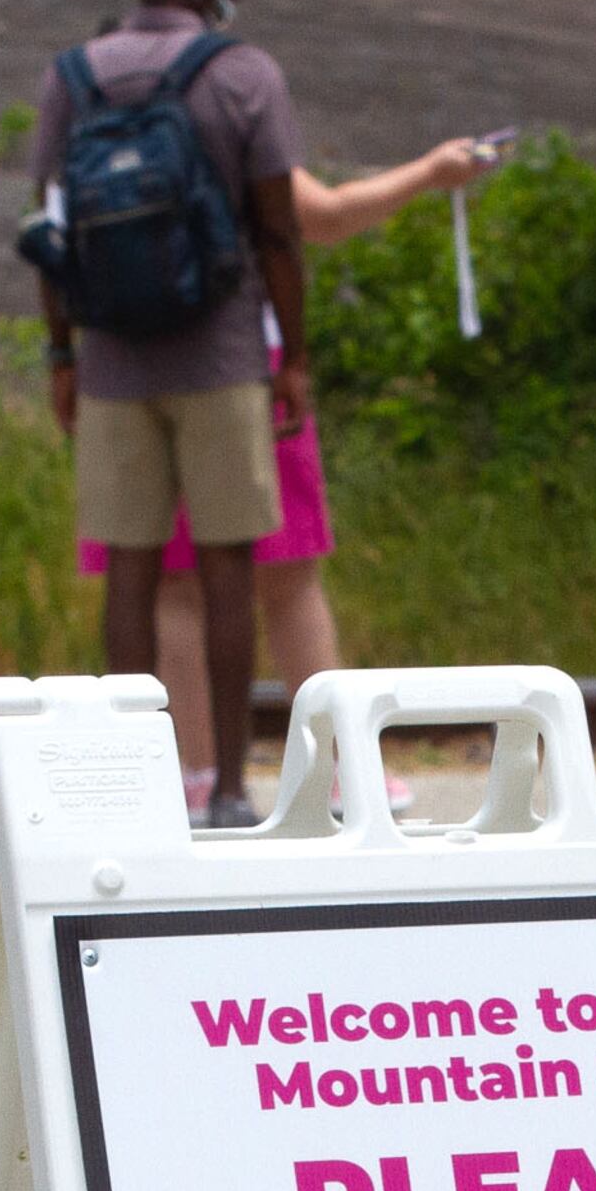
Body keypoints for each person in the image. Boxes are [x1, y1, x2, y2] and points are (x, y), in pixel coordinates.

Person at [139, 134, 500, 816]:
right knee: (288, 576)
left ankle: (194, 777)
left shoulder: (98, 98)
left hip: (138, 369)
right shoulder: (231, 100)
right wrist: (432, 170)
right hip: (244, 365)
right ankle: (343, 772)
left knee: (174, 584)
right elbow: (325, 216)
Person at [38, 0, 308, 829]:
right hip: (223, 353)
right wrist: (293, 357)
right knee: (230, 566)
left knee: (131, 571)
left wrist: (60, 354)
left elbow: (50, 230)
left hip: (114, 360)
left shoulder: (71, 76)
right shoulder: (243, 75)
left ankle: (137, 789)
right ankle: (229, 787)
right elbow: (278, 229)